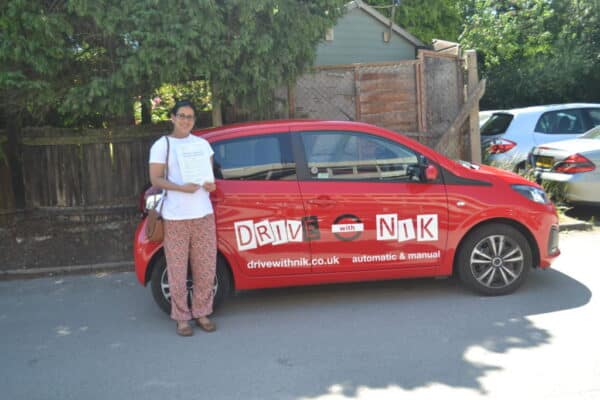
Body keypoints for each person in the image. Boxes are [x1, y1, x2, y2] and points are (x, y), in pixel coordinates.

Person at [148, 100, 217, 337]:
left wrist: (210, 185)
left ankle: (202, 312)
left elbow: (210, 180)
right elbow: (156, 179)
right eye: (182, 115)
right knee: (177, 269)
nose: (186, 120)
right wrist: (180, 188)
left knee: (205, 267)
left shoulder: (202, 145)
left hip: (203, 214)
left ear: (194, 120)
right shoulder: (162, 145)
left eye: (190, 116)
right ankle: (181, 318)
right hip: (176, 216)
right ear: (172, 117)